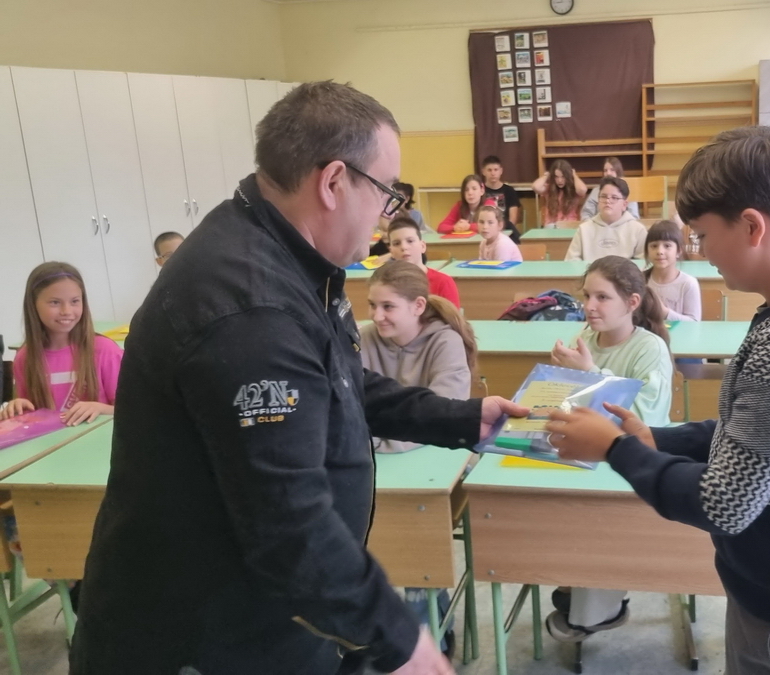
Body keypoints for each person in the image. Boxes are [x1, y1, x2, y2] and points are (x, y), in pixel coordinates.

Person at [70, 81, 527, 675]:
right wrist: (398, 637)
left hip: (265, 614)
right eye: (387, 192)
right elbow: (288, 521)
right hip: (205, 635)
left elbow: (339, 384)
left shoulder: (282, 252)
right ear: (333, 182)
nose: (388, 213)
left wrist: (462, 417)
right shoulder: (251, 307)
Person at [545, 126, 770, 675]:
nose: (698, 251)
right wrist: (657, 439)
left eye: (702, 235)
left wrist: (614, 449)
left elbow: (725, 504)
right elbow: (749, 430)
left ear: (752, 226)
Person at [543, 255, 673, 643]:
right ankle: (571, 583)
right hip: (582, 456)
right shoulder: (586, 340)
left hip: (628, 461)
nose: (590, 306)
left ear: (632, 302)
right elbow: (568, 405)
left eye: (602, 297)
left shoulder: (649, 349)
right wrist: (558, 379)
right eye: (586, 296)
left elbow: (645, 421)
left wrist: (589, 375)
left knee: (593, 516)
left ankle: (596, 608)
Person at [360, 260, 476, 453]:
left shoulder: (445, 342)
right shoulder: (362, 339)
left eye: (388, 306)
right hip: (374, 456)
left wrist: (374, 443)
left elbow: (443, 419)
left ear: (418, 306)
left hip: (434, 453)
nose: (376, 316)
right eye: (372, 305)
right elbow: (345, 408)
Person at [0, 262, 122, 426]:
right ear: (33, 305)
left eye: (75, 301)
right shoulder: (25, 358)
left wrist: (100, 408)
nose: (66, 311)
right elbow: (30, 416)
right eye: (55, 302)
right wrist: (18, 407)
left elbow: (133, 408)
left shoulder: (105, 350)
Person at [564, 177, 646, 262]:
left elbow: (643, 263)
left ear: (624, 205)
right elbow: (571, 262)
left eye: (614, 197)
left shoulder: (638, 230)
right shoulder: (584, 229)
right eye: (603, 196)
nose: (607, 201)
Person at [388, 215, 462, 309]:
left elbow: (452, 317)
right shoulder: (387, 284)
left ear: (422, 246)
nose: (403, 247)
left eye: (410, 241)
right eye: (396, 243)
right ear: (391, 252)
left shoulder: (443, 282)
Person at [644, 221, 700, 321]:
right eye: (654, 246)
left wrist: (665, 312)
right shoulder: (640, 280)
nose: (660, 251)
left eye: (667, 246)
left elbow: (694, 322)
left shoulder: (688, 284)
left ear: (679, 251)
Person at [479, 155, 523, 242]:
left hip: (505, 229)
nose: (493, 173)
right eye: (489, 170)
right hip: (485, 230)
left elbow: (512, 219)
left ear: (501, 171)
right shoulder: (479, 190)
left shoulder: (509, 191)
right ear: (483, 172)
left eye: (496, 170)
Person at [532, 159, 587, 226]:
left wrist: (574, 175)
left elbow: (582, 189)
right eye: (556, 177)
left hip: (569, 225)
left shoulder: (574, 189)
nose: (560, 180)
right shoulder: (549, 188)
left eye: (563, 177)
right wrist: (547, 175)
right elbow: (535, 187)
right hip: (551, 226)